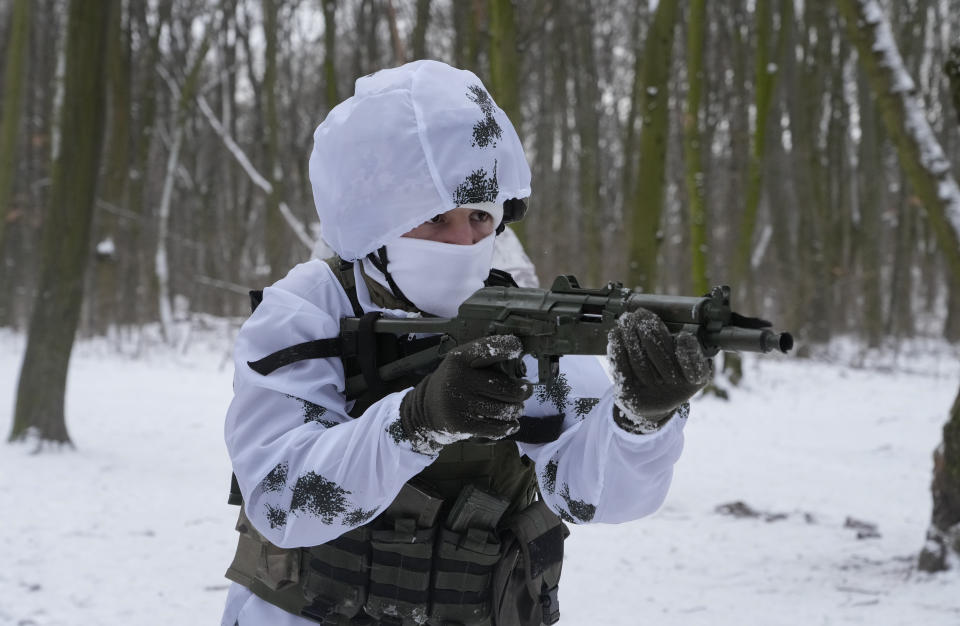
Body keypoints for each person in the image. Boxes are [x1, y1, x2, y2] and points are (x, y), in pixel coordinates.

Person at [220, 60, 712, 626]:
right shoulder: (309, 310)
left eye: (480, 215)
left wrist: (640, 421)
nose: (463, 241)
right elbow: (283, 502)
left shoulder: (517, 315)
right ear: (371, 221)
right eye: (435, 218)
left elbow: (590, 494)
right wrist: (416, 421)